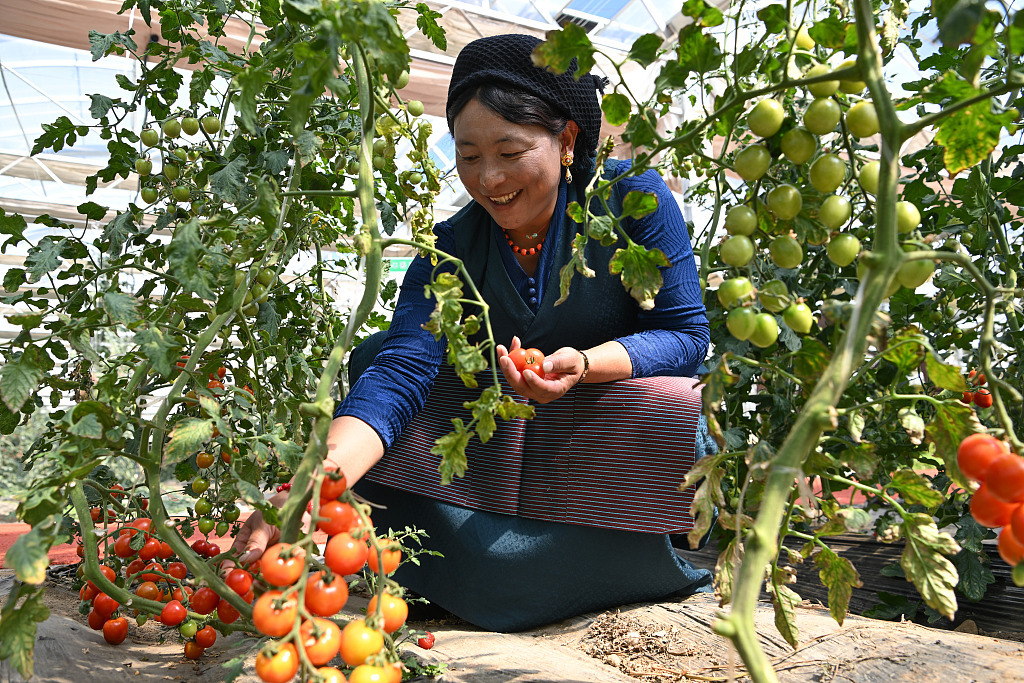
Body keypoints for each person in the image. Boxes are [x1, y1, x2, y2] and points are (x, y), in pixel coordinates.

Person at [234, 33, 717, 632]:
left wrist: (587, 364)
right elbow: (403, 367)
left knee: (672, 398)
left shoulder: (632, 201)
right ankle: (471, 552)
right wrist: (317, 481)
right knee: (378, 354)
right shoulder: (451, 248)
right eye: (468, 156)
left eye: (510, 153)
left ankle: (610, 555)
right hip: (493, 469)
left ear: (566, 140)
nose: (488, 179)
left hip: (599, 459)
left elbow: (685, 334)